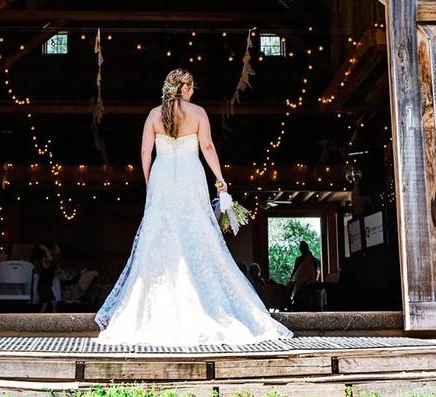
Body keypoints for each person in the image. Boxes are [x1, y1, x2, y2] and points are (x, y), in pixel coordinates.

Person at [94, 68, 292, 345]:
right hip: (190, 176)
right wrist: (221, 180)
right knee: (196, 232)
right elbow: (208, 147)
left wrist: (150, 182)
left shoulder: (153, 115)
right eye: (191, 87)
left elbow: (144, 152)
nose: (193, 91)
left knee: (159, 235)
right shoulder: (198, 113)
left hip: (163, 176)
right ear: (184, 88)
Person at [289, 241, 320, 310]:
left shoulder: (312, 260)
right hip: (306, 282)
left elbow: (316, 272)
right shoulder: (314, 260)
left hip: (307, 283)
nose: (301, 249)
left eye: (302, 248)